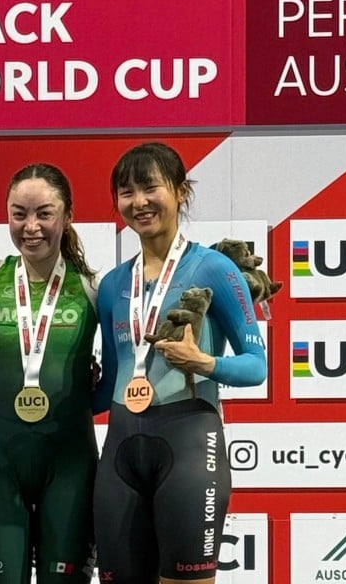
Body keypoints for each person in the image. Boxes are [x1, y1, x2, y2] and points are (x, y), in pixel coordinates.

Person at [91, 142, 267, 584]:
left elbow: (256, 364)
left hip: (190, 443)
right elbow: (111, 378)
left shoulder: (215, 269)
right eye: (127, 192)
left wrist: (204, 362)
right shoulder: (113, 284)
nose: (139, 202)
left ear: (181, 192)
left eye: (151, 187)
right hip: (120, 449)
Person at [0, 163, 99, 584]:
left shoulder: (93, 287)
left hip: (70, 465)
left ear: (67, 216)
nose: (31, 226)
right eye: (19, 213)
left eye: (45, 213)